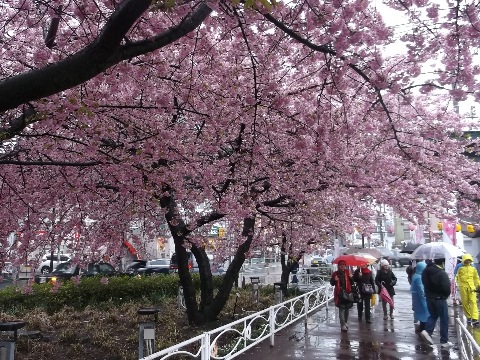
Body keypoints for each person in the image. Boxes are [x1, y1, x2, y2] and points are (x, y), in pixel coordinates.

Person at [420, 258, 453, 348]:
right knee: (444, 319)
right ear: (442, 263)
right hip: (440, 299)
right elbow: (446, 288)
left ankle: (427, 331)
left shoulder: (425, 271)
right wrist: (445, 296)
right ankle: (444, 341)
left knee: (433, 315)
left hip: (429, 297)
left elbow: (423, 282)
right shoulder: (442, 273)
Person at [455, 253, 480, 325]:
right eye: (466, 260)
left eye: (469, 260)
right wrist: (456, 284)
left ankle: (475, 318)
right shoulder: (460, 268)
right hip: (463, 287)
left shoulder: (473, 269)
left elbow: (476, 278)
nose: (467, 262)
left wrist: (478, 285)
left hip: (472, 288)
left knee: (473, 302)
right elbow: (456, 277)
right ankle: (469, 317)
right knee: (465, 302)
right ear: (463, 260)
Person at [330, 260, 354, 332]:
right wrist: (334, 280)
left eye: (343, 264)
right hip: (339, 293)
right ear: (338, 266)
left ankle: (345, 322)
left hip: (348, 293)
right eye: (340, 265)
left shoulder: (348, 272)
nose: (342, 266)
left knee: (347, 309)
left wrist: (351, 278)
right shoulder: (335, 274)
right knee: (342, 309)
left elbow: (352, 283)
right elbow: (332, 283)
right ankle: (342, 324)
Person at [411, 261, 429, 333]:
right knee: (424, 312)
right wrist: (424, 297)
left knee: (420, 312)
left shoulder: (415, 275)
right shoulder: (419, 277)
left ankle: (422, 326)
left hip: (416, 297)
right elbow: (420, 289)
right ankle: (423, 328)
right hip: (420, 297)